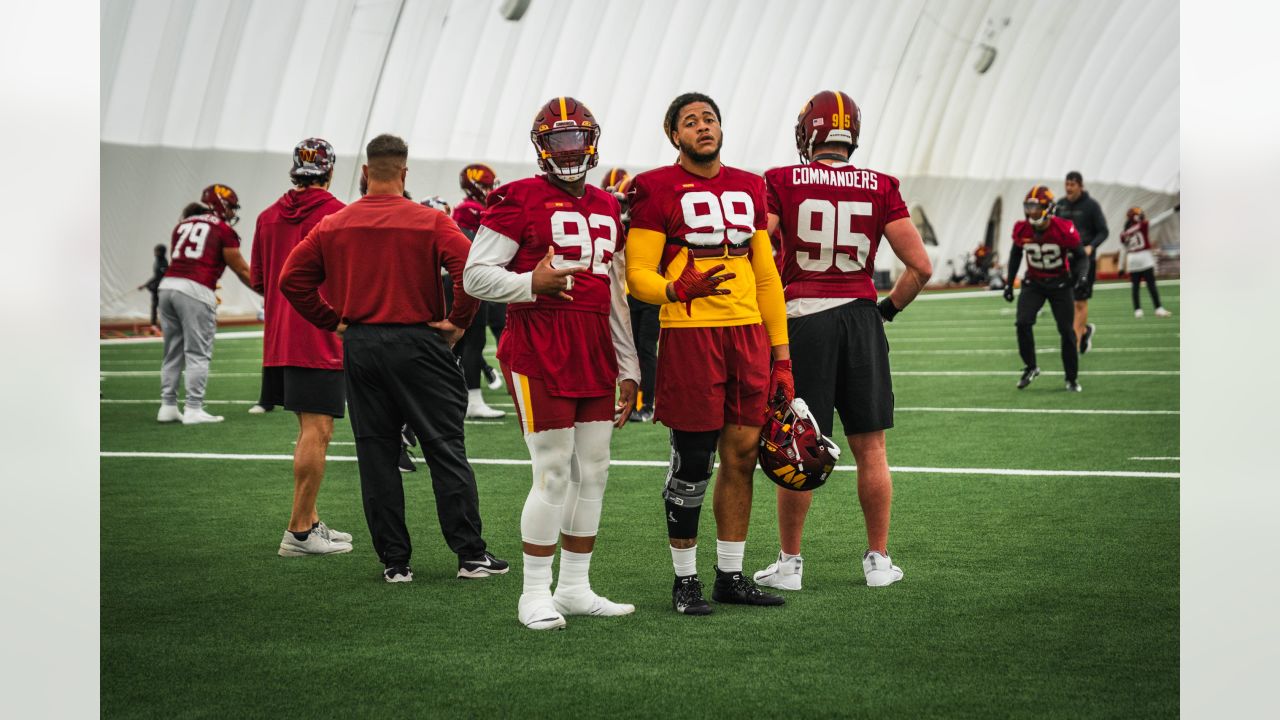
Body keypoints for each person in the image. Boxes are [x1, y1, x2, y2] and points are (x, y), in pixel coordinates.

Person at [280, 133, 509, 583]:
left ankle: (395, 562)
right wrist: (458, 323)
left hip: (363, 346)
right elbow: (471, 270)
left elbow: (292, 279)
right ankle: (470, 556)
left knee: (376, 454)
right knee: (445, 449)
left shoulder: (335, 223)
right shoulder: (429, 220)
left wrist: (334, 322)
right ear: (405, 173)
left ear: (365, 173)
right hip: (420, 343)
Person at [464, 96, 641, 630]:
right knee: (552, 472)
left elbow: (613, 291)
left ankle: (575, 586)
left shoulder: (609, 205)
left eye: (577, 140)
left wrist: (628, 365)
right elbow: (475, 275)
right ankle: (533, 593)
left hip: (594, 346)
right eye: (559, 142)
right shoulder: (516, 198)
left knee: (596, 471)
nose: (570, 151)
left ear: (592, 142)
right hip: (538, 344)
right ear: (542, 147)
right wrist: (527, 283)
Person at [753, 90, 933, 591]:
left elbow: (756, 246)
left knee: (796, 440)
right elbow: (920, 266)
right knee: (870, 447)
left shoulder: (781, 180)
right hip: (859, 317)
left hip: (803, 318)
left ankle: (790, 564)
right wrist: (886, 310)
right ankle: (878, 560)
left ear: (807, 133)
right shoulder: (881, 185)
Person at [625, 92, 792, 615]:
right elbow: (638, 276)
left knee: (742, 458)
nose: (703, 127)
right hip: (691, 335)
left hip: (746, 336)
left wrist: (781, 356)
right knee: (694, 462)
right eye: (691, 121)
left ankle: (730, 575)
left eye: (710, 119)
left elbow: (766, 276)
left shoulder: (749, 184)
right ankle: (684, 581)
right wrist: (677, 291)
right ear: (673, 134)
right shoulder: (653, 187)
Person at [250, 137, 353, 558]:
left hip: (281, 336)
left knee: (309, 429)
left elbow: (260, 280)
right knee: (319, 430)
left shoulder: (266, 217)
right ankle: (299, 532)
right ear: (329, 171)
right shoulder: (338, 214)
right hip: (321, 335)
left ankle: (309, 519)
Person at [156, 184, 255, 425]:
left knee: (172, 352)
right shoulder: (222, 229)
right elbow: (241, 269)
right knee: (198, 353)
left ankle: (167, 406)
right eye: (230, 207)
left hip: (167, 286)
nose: (232, 213)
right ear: (221, 204)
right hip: (195, 289)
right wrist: (268, 291)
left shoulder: (182, 225)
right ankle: (193, 408)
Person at [1003, 186, 1091, 392]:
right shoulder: (1022, 229)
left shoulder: (1063, 228)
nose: (1031, 212)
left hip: (1060, 283)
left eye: (1036, 207)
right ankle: (1031, 367)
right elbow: (1015, 254)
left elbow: (1081, 256)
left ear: (1048, 208)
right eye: (1028, 207)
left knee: (1066, 331)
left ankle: (1071, 378)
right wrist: (1009, 283)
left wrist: (1083, 277)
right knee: (1022, 322)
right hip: (1034, 283)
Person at [452, 163, 507, 415]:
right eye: (485, 186)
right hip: (470, 281)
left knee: (467, 341)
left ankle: (463, 397)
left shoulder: (471, 209)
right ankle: (472, 401)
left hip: (465, 280)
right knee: (473, 340)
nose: (489, 190)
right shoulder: (469, 210)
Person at [615, 176, 660, 422]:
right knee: (628, 348)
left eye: (626, 204)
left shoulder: (651, 223)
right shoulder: (626, 227)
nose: (622, 210)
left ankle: (646, 403)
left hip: (651, 294)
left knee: (645, 349)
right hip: (629, 293)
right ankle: (632, 401)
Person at [1055, 171, 1108, 353]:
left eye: (1072, 184)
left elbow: (1103, 231)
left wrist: (1091, 247)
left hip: (1084, 261)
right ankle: (1084, 331)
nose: (1068, 188)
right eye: (1067, 184)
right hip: (1063, 262)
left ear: (1080, 186)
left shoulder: (1091, 206)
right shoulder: (1059, 205)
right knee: (1067, 303)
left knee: (1080, 301)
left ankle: (1075, 343)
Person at [1118, 207, 1172, 318]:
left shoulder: (1124, 233)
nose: (1142, 214)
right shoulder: (1143, 225)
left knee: (1135, 287)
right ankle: (1158, 308)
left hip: (1132, 260)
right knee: (1151, 285)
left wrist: (1120, 267)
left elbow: (1123, 250)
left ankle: (1137, 310)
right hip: (1144, 258)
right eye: (1139, 213)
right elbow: (1159, 219)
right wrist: (1174, 210)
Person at [138, 244, 169, 330]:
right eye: (155, 251)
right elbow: (155, 276)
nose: (155, 253)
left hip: (162, 288)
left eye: (157, 251)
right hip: (157, 287)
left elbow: (159, 277)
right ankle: (153, 325)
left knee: (162, 307)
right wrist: (146, 285)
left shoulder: (163, 263)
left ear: (162, 252)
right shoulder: (157, 261)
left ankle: (165, 325)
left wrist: (146, 285)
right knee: (154, 306)